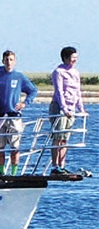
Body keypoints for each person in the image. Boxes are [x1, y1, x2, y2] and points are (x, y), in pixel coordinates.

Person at [0, 50, 38, 176]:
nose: (9, 62)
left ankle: (14, 173)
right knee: (0, 146)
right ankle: (1, 172)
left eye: (11, 59)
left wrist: (25, 103)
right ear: (3, 61)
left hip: (14, 116)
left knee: (15, 146)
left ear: (15, 61)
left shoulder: (19, 77)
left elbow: (33, 91)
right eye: (7, 60)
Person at [49, 46, 85, 175]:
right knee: (57, 137)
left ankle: (62, 165)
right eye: (72, 58)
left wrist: (81, 109)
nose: (74, 60)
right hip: (59, 107)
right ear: (65, 58)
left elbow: (77, 92)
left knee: (65, 138)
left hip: (71, 108)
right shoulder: (58, 72)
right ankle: (54, 166)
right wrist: (64, 108)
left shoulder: (75, 72)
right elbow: (59, 91)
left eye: (76, 57)